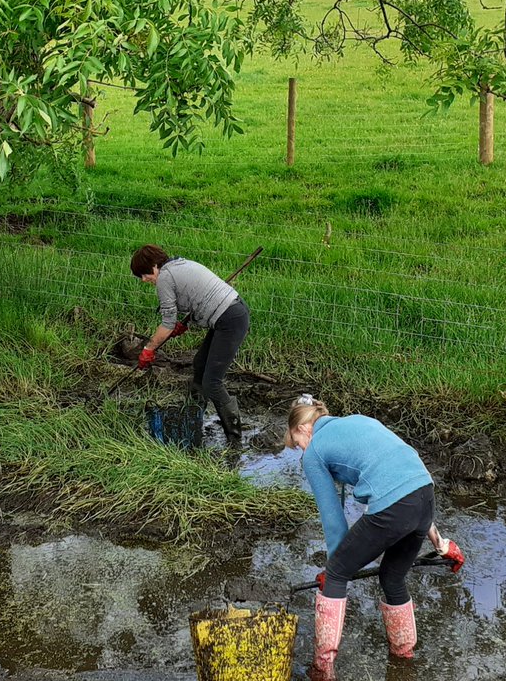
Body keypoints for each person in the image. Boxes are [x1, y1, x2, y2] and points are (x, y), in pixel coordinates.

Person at [285, 396, 466, 680]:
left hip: (395, 506)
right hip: (425, 496)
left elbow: (332, 518)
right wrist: (440, 543)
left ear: (303, 427)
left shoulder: (314, 452)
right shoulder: (358, 421)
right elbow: (408, 478)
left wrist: (336, 567)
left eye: (296, 443)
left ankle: (322, 669)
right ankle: (404, 656)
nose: (300, 450)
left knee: (336, 574)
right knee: (392, 577)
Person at [130, 244, 250, 446]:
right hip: (230, 313)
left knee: (212, 382)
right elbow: (198, 297)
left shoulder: (165, 278)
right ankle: (194, 418)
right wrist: (185, 322)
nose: (144, 280)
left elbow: (167, 323)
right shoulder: (179, 264)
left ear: (153, 265)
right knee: (200, 365)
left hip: (229, 319)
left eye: (143, 274)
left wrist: (148, 349)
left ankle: (235, 438)